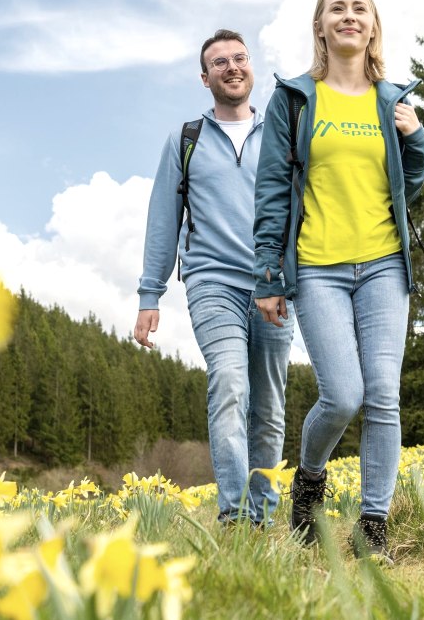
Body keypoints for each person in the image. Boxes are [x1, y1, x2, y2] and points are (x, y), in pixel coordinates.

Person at [252, 0, 424, 561]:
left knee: (384, 397)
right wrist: (269, 277)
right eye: (337, 9)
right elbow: (274, 191)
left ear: (373, 27)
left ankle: (372, 526)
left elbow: (409, 186)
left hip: (383, 266)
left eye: (360, 9)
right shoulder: (295, 100)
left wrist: (418, 140)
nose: (349, 16)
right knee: (344, 395)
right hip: (319, 268)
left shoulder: (394, 101)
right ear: (321, 27)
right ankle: (310, 478)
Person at [137, 29, 294, 528]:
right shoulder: (185, 141)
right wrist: (149, 294)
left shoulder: (281, 134)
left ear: (251, 66)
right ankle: (232, 515)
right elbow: (164, 220)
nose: (231, 67)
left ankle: (262, 519)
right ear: (205, 78)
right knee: (229, 381)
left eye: (239, 58)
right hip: (211, 281)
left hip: (273, 283)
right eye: (219, 62)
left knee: (268, 406)